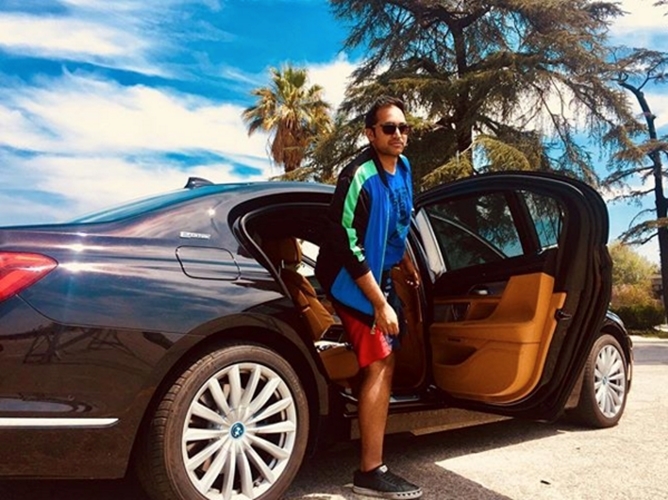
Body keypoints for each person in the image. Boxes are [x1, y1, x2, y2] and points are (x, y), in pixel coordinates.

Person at [315, 96, 422, 499]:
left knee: (385, 359)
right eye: (389, 128)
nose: (398, 134)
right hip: (350, 281)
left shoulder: (404, 167)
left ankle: (370, 459)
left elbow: (400, 222)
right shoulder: (358, 176)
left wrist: (405, 262)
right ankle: (370, 472)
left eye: (403, 128)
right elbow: (345, 242)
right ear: (370, 133)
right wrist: (378, 304)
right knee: (380, 361)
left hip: (382, 274)